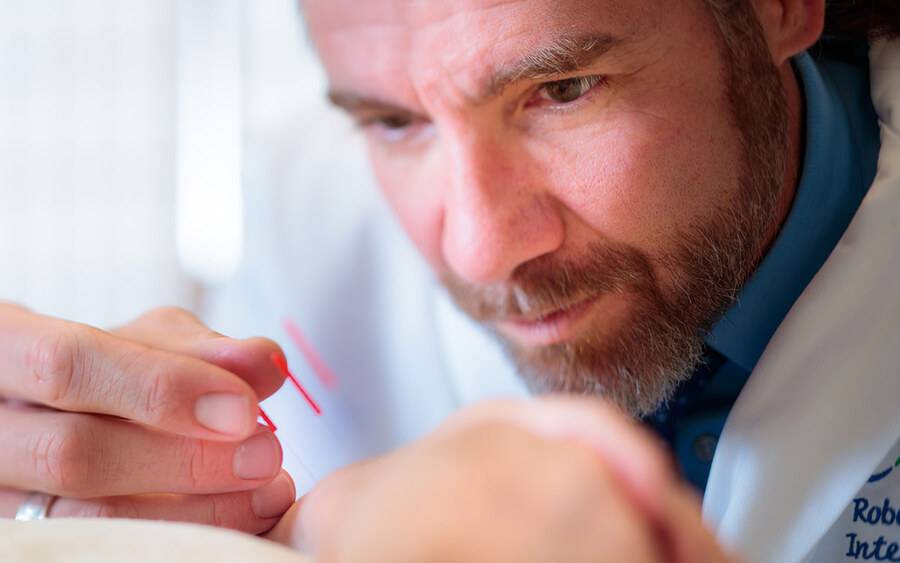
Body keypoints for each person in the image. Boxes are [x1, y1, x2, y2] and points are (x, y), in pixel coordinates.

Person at [2, 1, 899, 562]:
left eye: (563, 88)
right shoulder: (311, 218)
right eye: (396, 122)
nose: (477, 250)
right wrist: (106, 516)